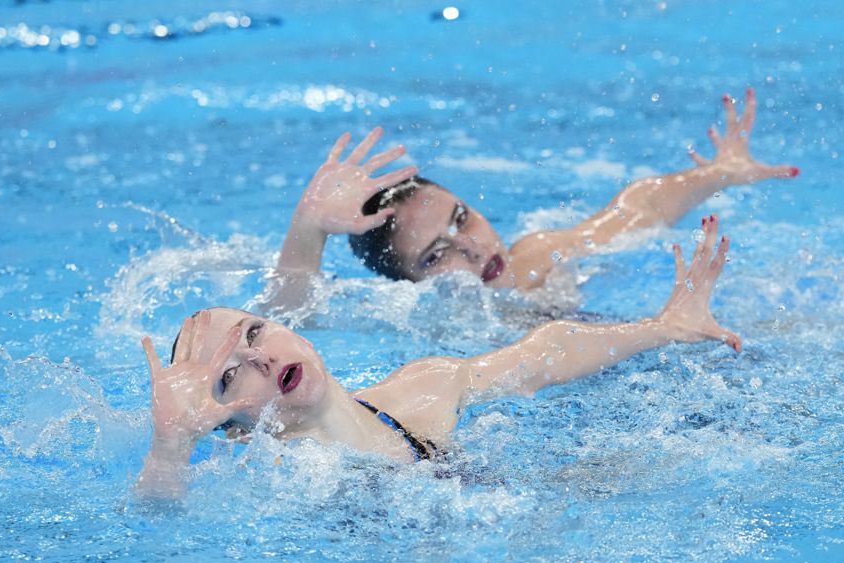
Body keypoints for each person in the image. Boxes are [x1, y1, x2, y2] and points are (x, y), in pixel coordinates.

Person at [137, 216, 739, 500]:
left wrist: (660, 329)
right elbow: (158, 528)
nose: (261, 359)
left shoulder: (416, 392)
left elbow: (542, 354)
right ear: (231, 429)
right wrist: (169, 448)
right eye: (230, 374)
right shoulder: (267, 475)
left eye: (255, 333)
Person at [272, 88, 796, 298]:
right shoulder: (417, 325)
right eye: (437, 255)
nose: (475, 249)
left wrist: (716, 175)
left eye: (462, 220)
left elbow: (634, 211)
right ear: (409, 284)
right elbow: (292, 316)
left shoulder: (535, 259)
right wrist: (307, 227)